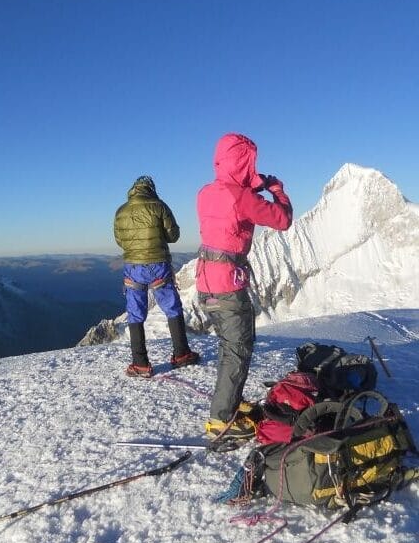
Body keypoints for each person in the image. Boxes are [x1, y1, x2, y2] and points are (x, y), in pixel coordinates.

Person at [196, 133, 292, 437]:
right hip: (228, 285)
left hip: (205, 281)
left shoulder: (206, 192)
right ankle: (220, 422)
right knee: (237, 350)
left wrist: (252, 183)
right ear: (245, 162)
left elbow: (232, 192)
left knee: (229, 347)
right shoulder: (243, 198)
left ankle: (230, 404)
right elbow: (282, 219)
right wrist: (276, 190)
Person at [114, 175, 199, 377]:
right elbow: (173, 236)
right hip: (158, 265)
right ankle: (181, 354)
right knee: (171, 307)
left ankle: (140, 363)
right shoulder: (159, 206)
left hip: (133, 267)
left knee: (135, 313)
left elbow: (120, 241)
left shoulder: (121, 211)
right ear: (151, 189)